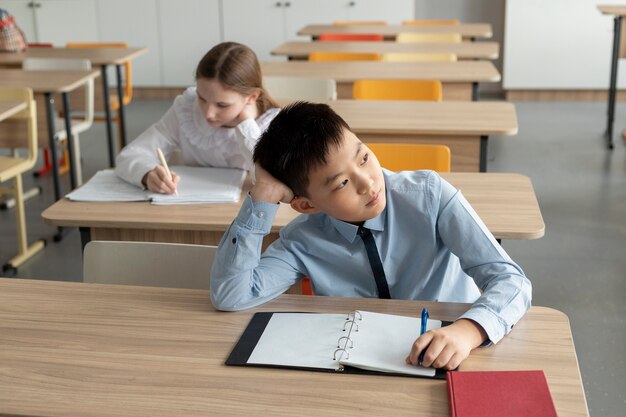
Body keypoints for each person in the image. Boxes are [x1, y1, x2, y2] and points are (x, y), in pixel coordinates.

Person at [210, 102, 532, 370]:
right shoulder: (302, 239)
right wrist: (262, 196)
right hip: (353, 366)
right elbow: (232, 294)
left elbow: (511, 281)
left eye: (363, 157)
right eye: (341, 184)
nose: (367, 183)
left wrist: (468, 331)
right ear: (306, 204)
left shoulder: (429, 197)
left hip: (448, 355)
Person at [115, 42, 280, 194]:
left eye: (222, 105)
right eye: (201, 98)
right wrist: (147, 174)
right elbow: (129, 155)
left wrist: (246, 126)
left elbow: (274, 182)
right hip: (191, 209)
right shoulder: (187, 109)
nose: (208, 113)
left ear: (251, 97)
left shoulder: (273, 124)